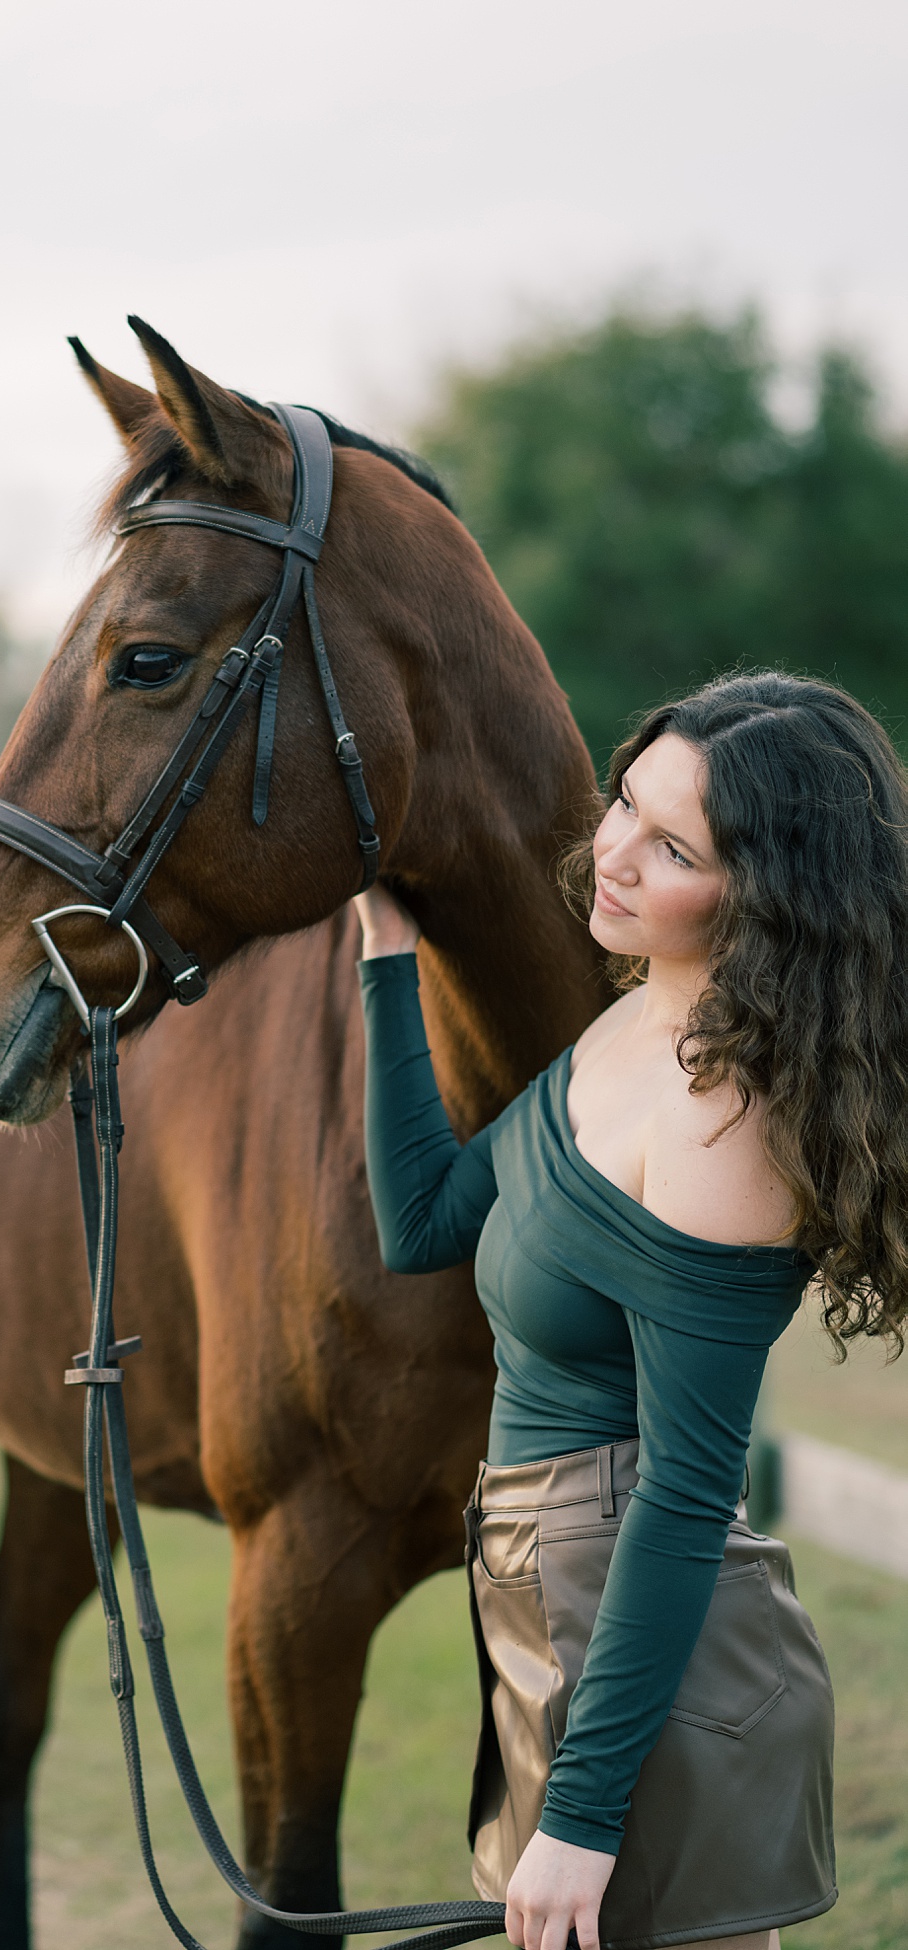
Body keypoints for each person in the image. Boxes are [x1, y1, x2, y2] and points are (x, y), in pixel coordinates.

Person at [355, 672, 908, 1950]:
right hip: (545, 1589)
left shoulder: (723, 1127)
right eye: (624, 802)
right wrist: (390, 958)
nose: (610, 851)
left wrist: (584, 1818)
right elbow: (428, 1220)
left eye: (672, 848)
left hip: (635, 1635)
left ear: (764, 901)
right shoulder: (629, 1028)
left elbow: (684, 1493)